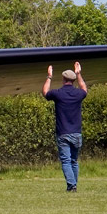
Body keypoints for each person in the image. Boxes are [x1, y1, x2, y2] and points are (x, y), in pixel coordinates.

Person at [43, 61, 88, 192]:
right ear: (73, 80)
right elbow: (84, 88)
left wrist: (49, 76)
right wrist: (79, 74)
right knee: (74, 161)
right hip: (77, 133)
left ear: (63, 79)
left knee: (66, 161)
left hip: (63, 133)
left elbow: (45, 92)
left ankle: (72, 185)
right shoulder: (78, 94)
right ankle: (73, 185)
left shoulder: (58, 93)